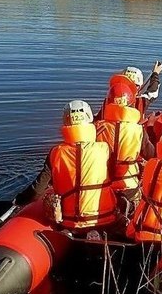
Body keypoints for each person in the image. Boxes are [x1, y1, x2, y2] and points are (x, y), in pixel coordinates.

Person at [15, 100, 118, 233]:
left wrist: (19, 200)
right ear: (89, 118)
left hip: (69, 222)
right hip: (105, 218)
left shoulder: (56, 152)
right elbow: (114, 176)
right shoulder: (105, 149)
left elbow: (36, 191)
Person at [95, 82, 155, 219]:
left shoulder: (98, 127)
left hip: (102, 184)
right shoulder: (137, 130)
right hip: (129, 185)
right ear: (131, 103)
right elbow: (151, 155)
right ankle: (130, 214)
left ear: (109, 102)